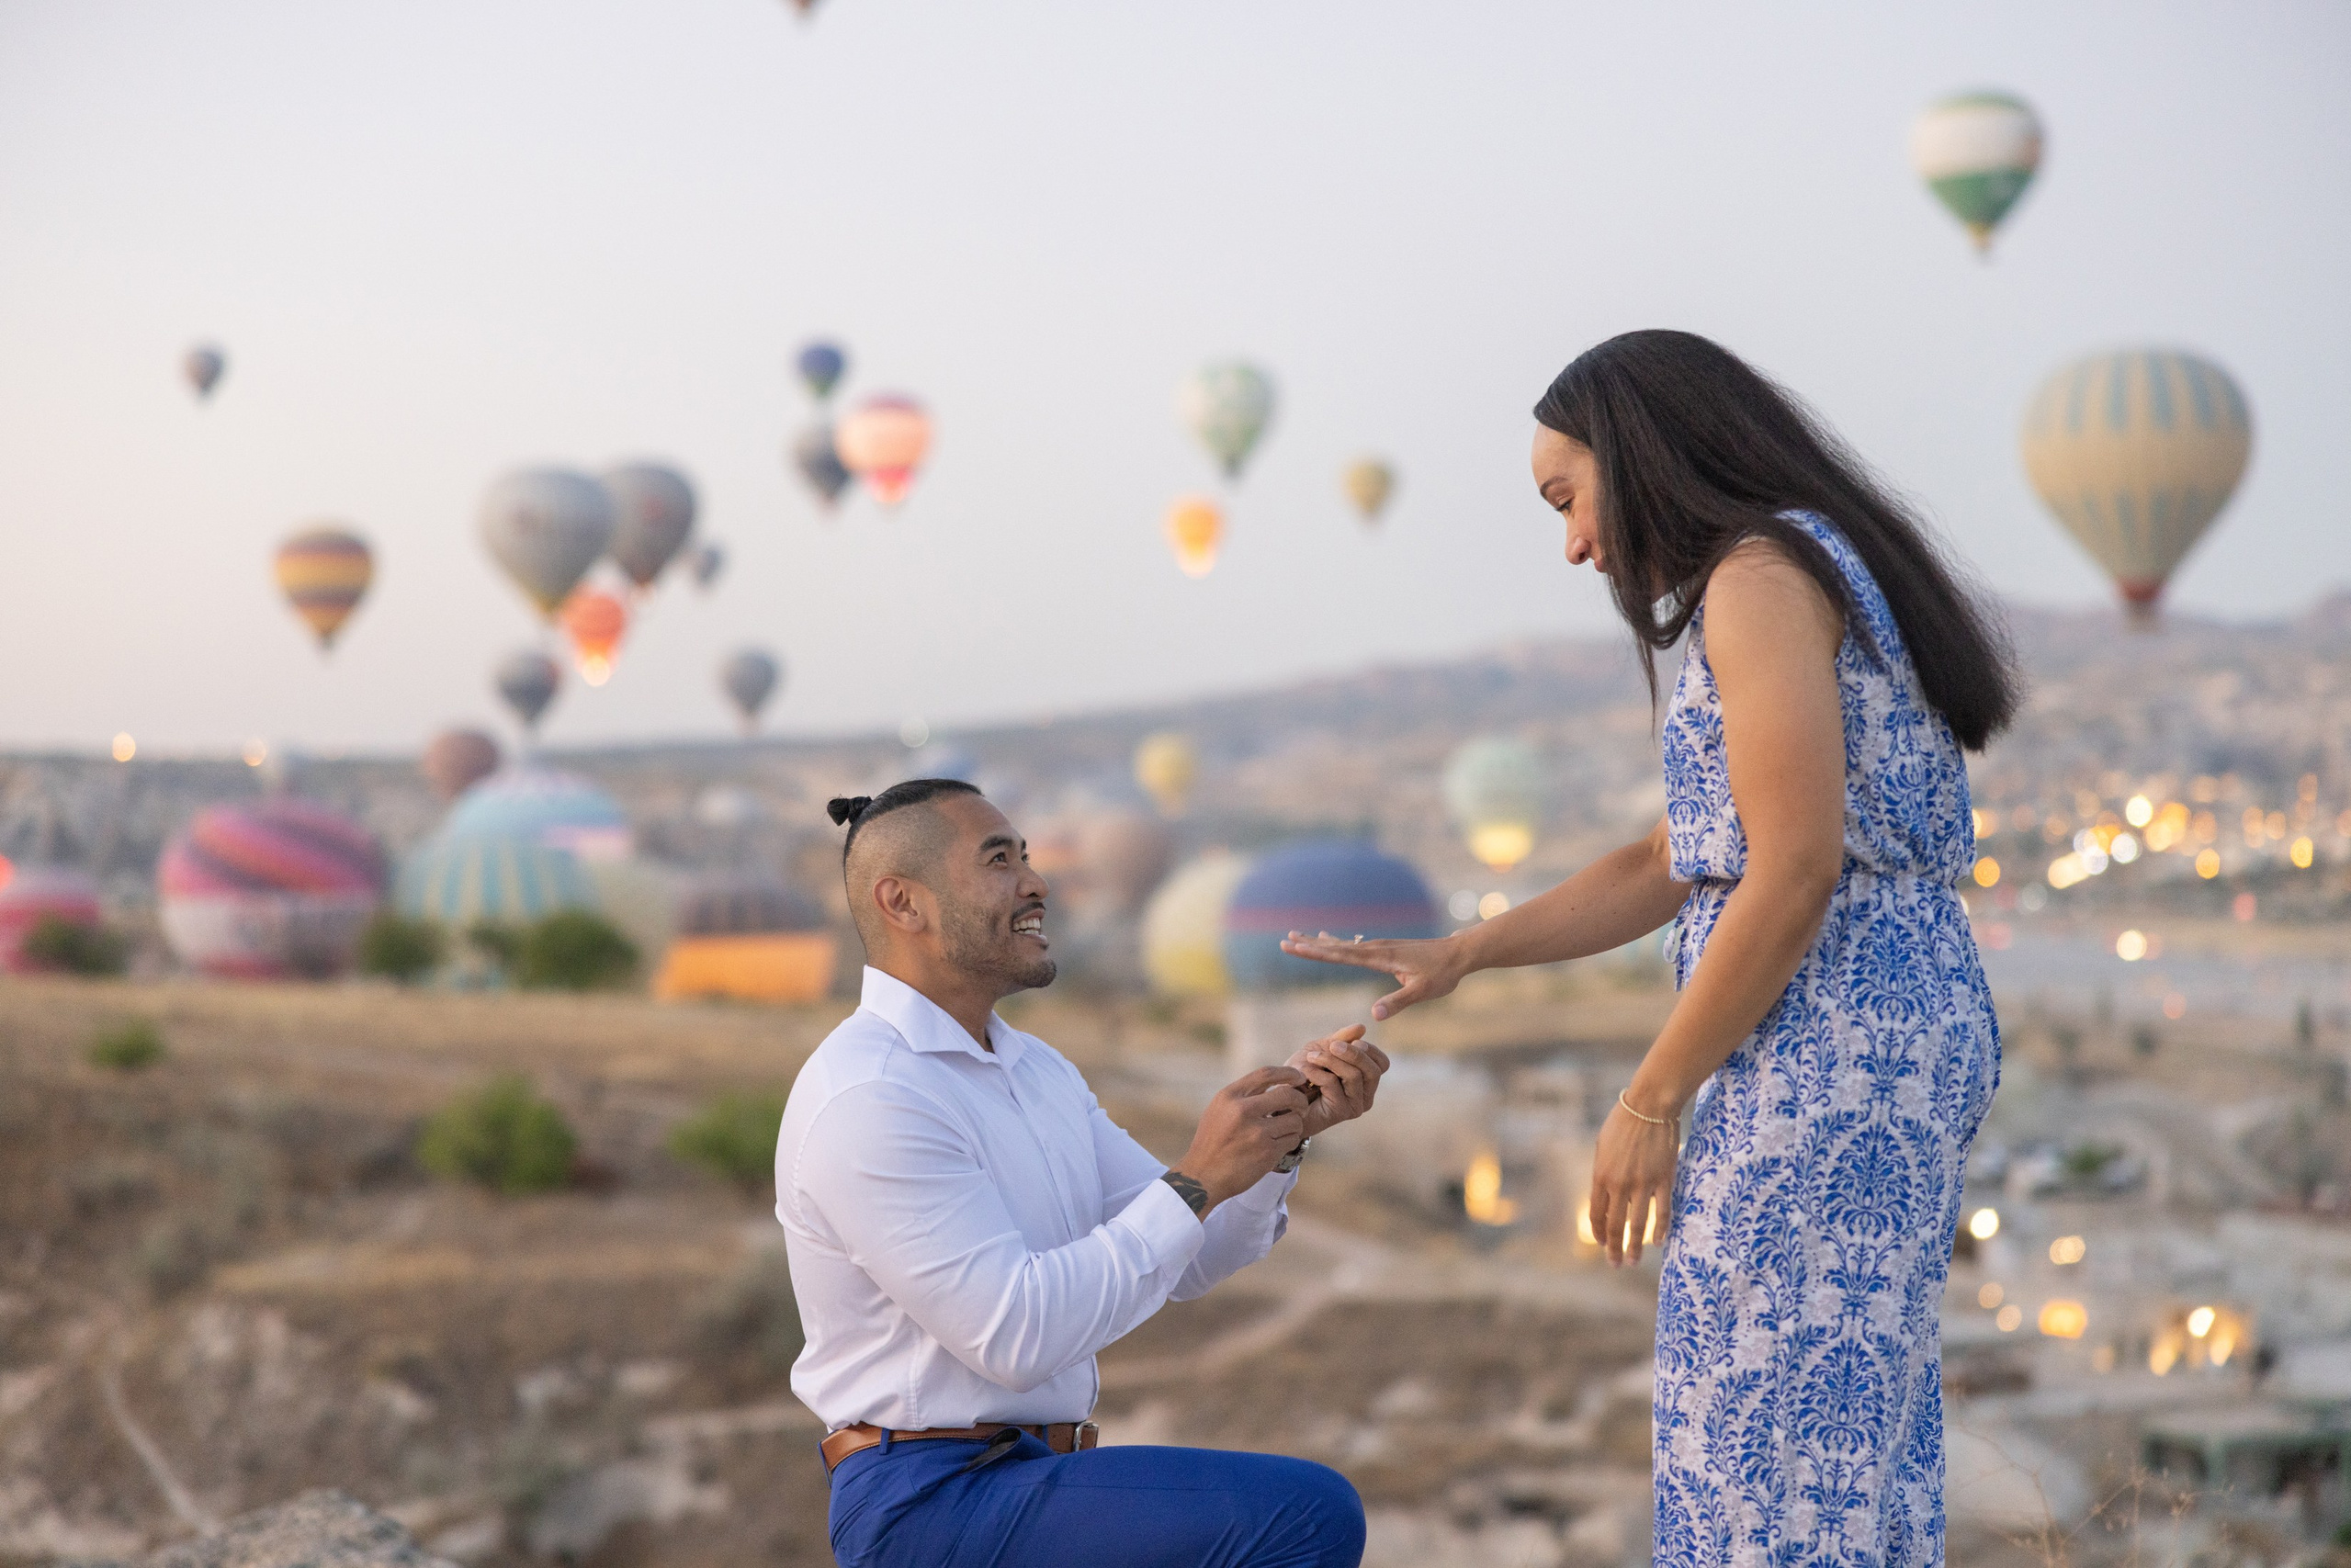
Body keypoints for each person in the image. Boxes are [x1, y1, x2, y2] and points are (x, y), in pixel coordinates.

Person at [1284, 330, 2017, 1568]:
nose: (1573, 542)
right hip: (1880, 1025)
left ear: (1643, 454)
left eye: (1568, 498)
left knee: (1772, 1419)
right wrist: (1469, 950)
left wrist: (1647, 1095)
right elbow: (1682, 853)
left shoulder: (1759, 576)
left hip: (1824, 1042)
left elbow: (1790, 869)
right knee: (1836, 1421)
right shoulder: (1809, 563)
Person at [777, 777, 1379, 1568]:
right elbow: (1017, 1336)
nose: (1037, 881)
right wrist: (1195, 1177)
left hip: (1035, 1479)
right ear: (903, 902)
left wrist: (1280, 1137)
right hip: (929, 1504)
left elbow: (1190, 1255)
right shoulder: (872, 1094)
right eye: (999, 860)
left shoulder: (1036, 1070)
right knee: (1306, 1514)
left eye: (1026, 856)